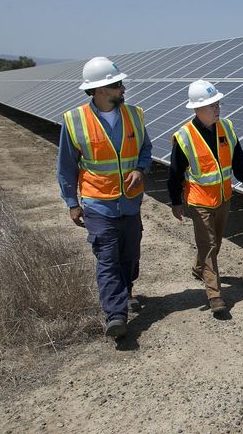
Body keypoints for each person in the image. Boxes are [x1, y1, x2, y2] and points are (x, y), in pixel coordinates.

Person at [57, 56, 152, 340]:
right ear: (99, 90)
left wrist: (139, 168)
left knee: (130, 255)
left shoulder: (134, 115)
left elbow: (145, 148)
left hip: (131, 202)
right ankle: (116, 315)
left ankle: (127, 289)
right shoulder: (74, 121)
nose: (123, 88)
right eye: (116, 85)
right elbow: (66, 166)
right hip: (98, 204)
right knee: (108, 259)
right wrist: (72, 203)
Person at [167, 80, 243, 314]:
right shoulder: (184, 137)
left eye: (217, 103)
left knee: (215, 243)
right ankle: (215, 296)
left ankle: (199, 268)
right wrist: (176, 201)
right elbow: (174, 174)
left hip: (223, 197)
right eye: (210, 105)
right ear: (196, 109)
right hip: (199, 201)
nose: (217, 108)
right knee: (209, 245)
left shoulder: (227, 128)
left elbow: (238, 159)